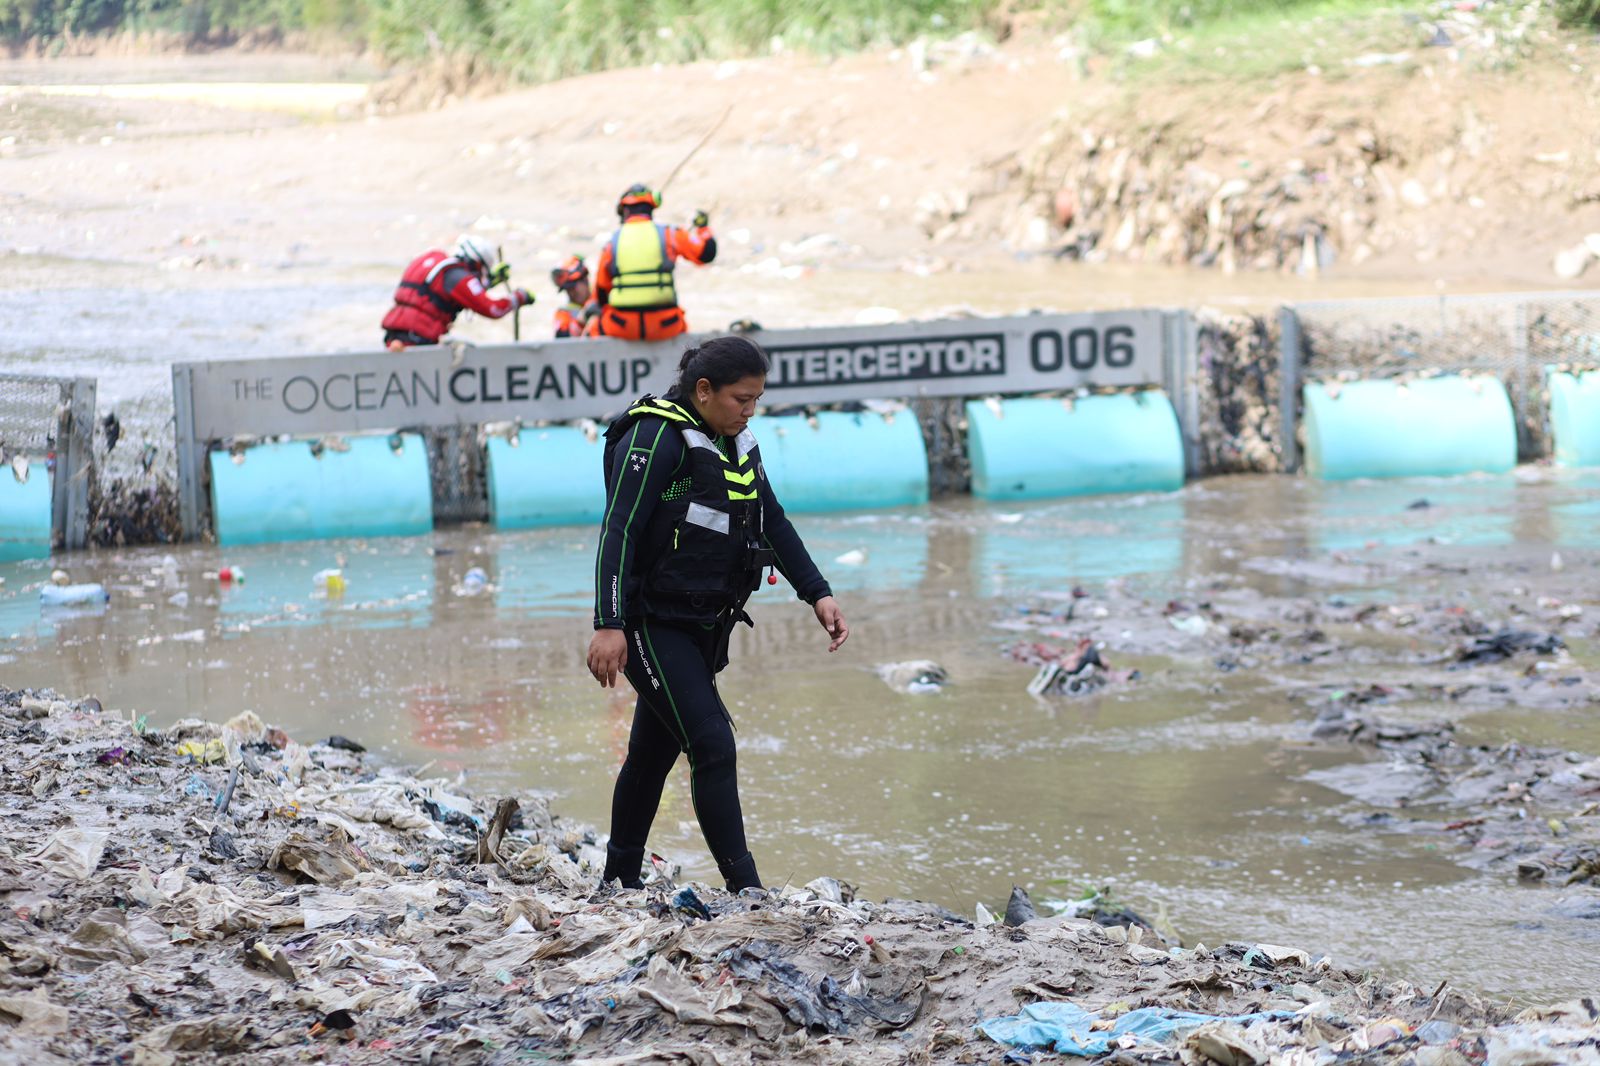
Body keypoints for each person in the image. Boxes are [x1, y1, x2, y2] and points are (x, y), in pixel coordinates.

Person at [586, 335, 849, 893]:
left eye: (756, 400)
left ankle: (617, 881)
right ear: (704, 390)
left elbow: (770, 519)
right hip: (650, 623)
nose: (749, 411)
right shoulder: (655, 437)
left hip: (706, 626)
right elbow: (620, 530)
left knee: (651, 753)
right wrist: (608, 623)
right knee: (712, 742)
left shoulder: (734, 440)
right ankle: (748, 893)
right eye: (741, 399)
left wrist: (817, 593)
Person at [593, 184, 716, 341]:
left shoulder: (611, 243)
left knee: (594, 326)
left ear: (625, 210)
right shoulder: (670, 234)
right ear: (652, 207)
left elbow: (602, 293)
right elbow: (706, 253)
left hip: (622, 327)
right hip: (666, 326)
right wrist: (702, 227)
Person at [381, 235, 533, 349]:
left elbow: (460, 294)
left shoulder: (437, 263)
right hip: (418, 338)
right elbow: (492, 309)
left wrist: (492, 280)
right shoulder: (458, 275)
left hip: (396, 333)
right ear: (478, 263)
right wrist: (519, 297)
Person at [550, 254, 599, 339]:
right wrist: (581, 321)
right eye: (567, 289)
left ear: (585, 280)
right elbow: (562, 342)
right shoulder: (564, 313)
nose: (570, 293)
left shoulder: (601, 300)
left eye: (572, 288)